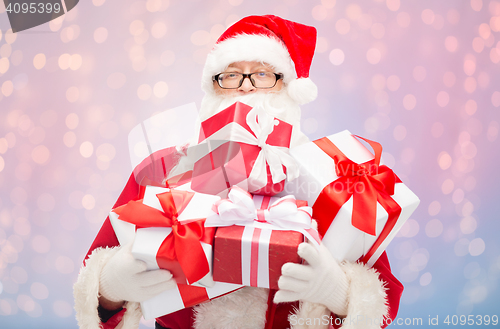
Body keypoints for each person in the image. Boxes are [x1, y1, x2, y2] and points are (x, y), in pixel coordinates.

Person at [74, 15, 403, 329]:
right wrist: (111, 286)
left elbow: (384, 299)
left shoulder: (328, 177)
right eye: (231, 75)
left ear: (287, 87)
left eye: (263, 73)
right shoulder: (165, 167)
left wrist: (339, 292)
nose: (246, 87)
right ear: (214, 89)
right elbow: (95, 276)